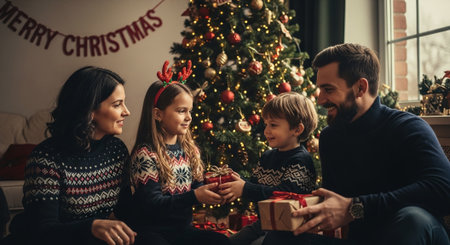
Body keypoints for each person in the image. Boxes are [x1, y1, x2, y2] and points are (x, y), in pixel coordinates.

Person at [263, 43, 450, 245]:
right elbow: (336, 203)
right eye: (320, 89)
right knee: (279, 238)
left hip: (416, 234)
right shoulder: (330, 138)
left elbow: (444, 190)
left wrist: (356, 207)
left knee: (413, 219)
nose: (320, 99)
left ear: (361, 87)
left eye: (328, 89)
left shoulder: (408, 127)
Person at [1, 66, 136, 245]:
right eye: (117, 104)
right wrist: (91, 227)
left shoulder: (116, 150)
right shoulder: (46, 158)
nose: (126, 112)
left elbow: (125, 210)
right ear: (90, 110)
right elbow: (42, 230)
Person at [117, 61, 230, 245]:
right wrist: (195, 196)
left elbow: (197, 188)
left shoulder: (189, 150)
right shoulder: (146, 154)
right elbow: (152, 204)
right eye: (181, 111)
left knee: (221, 241)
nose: (189, 117)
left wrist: (217, 189)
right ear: (158, 114)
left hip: (182, 230)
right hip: (152, 231)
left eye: (190, 111)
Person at [219, 92, 318, 245]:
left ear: (297, 130)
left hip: (291, 231)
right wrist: (236, 182)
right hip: (264, 224)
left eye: (273, 125)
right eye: (266, 124)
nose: (266, 131)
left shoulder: (301, 160)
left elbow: (286, 196)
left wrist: (245, 188)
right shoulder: (267, 156)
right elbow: (254, 185)